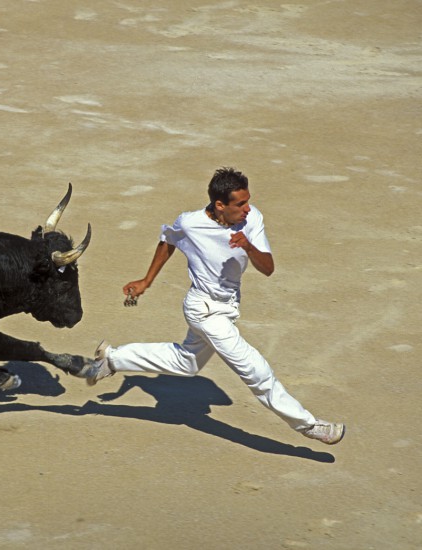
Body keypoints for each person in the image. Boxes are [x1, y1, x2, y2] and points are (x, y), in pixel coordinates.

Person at [84, 167, 345, 445]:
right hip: (204, 310)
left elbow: (267, 268)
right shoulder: (190, 223)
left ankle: (112, 358)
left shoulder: (252, 218)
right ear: (220, 205)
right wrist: (147, 281)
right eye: (240, 204)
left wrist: (248, 246)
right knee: (255, 370)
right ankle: (308, 425)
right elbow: (168, 239)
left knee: (186, 363)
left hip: (227, 307)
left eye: (248, 201)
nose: (247, 208)